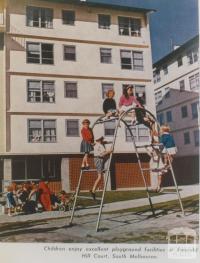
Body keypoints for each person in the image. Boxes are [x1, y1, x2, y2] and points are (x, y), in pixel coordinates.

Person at [90, 135, 113, 200]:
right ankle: (93, 190)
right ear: (100, 140)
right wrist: (109, 151)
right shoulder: (100, 145)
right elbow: (102, 154)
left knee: (100, 176)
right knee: (100, 177)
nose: (103, 140)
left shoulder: (97, 144)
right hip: (99, 159)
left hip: (98, 159)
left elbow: (104, 142)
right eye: (102, 139)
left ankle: (93, 190)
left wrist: (110, 142)